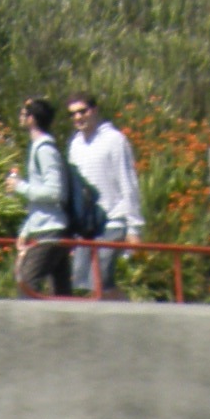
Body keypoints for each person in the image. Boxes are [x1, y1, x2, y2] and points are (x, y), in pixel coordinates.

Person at [66, 92, 143, 296]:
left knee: (99, 279)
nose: (78, 117)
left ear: (94, 110)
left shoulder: (114, 140)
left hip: (112, 220)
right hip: (87, 225)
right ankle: (122, 305)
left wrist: (133, 228)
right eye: (72, 114)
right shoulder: (75, 145)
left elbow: (128, 183)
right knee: (80, 283)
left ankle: (121, 309)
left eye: (82, 111)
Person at [7, 96, 71, 296]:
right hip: (47, 227)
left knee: (27, 285)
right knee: (61, 293)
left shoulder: (44, 150)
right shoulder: (39, 148)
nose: (20, 117)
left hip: (50, 229)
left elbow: (54, 191)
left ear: (32, 119)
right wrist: (26, 230)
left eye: (23, 114)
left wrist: (19, 186)